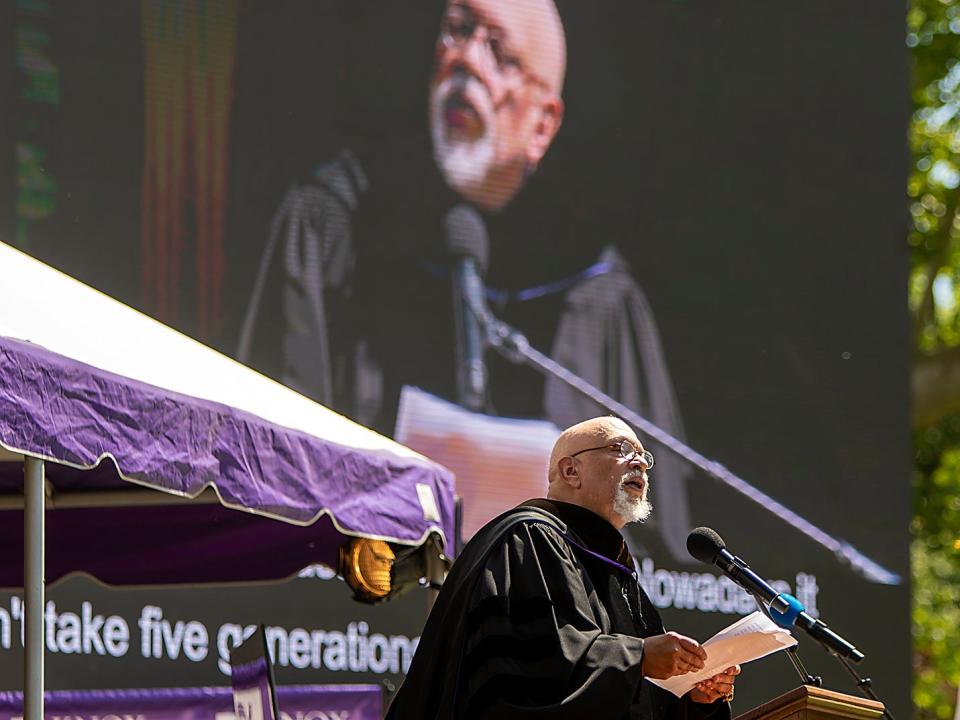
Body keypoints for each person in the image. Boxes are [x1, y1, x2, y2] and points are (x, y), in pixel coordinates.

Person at [237, 0, 697, 562]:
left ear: (542, 124)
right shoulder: (336, 219)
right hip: (358, 623)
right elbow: (271, 458)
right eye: (456, 32)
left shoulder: (598, 288)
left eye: (499, 54)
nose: (466, 60)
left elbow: (652, 527)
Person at [385, 416, 741, 719]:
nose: (640, 463)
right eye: (620, 449)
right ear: (570, 470)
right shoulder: (528, 539)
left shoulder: (612, 569)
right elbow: (533, 669)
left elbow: (628, 702)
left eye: (643, 456)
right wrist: (639, 657)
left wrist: (694, 698)